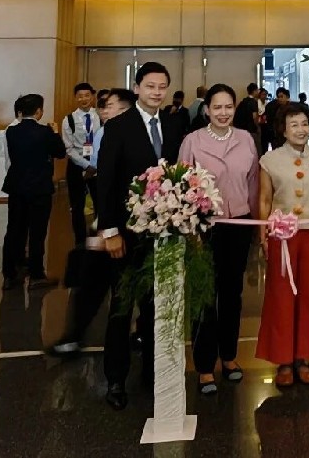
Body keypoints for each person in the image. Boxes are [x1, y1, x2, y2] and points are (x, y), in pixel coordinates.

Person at [94, 61, 186, 411]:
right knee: (122, 306)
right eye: (150, 86)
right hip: (126, 233)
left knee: (155, 305)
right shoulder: (118, 127)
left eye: (162, 86)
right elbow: (105, 182)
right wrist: (110, 231)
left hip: (163, 234)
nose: (157, 92)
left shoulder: (174, 125)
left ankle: (153, 370)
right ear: (136, 88)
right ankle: (116, 378)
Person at [178, 83, 259, 395]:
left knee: (231, 293)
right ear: (207, 110)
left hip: (238, 224)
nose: (223, 113)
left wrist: (256, 225)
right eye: (217, 107)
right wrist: (188, 228)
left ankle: (229, 356)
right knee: (204, 295)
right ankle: (203, 366)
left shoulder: (246, 139)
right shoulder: (192, 141)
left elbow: (253, 184)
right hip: (204, 227)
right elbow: (182, 185)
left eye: (228, 107)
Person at [50, 88, 136, 359]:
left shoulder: (134, 137)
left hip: (128, 223)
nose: (103, 111)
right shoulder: (103, 134)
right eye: (103, 106)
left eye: (110, 106)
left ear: (125, 110)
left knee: (125, 287)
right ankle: (74, 335)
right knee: (92, 281)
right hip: (105, 223)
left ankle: (126, 340)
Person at [256, 102, 309, 387]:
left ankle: (304, 358)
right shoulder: (270, 160)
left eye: (304, 124)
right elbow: (265, 199)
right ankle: (284, 361)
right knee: (281, 296)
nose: (300, 130)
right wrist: (263, 235)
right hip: (282, 237)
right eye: (294, 125)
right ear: (283, 130)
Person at [1, 93, 66, 290]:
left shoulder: (11, 132)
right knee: (37, 231)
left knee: (14, 229)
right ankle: (36, 274)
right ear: (39, 111)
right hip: (39, 187)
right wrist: (55, 132)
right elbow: (60, 152)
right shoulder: (45, 132)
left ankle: (10, 273)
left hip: (17, 186)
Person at [62, 83, 100, 246]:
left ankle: (97, 237)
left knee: (99, 203)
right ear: (75, 98)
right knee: (77, 206)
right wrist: (86, 165)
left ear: (92, 96)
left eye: (87, 95)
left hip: (98, 164)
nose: (83, 99)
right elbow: (68, 148)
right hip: (77, 165)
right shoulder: (68, 120)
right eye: (80, 96)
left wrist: (95, 164)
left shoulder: (100, 116)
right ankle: (80, 241)